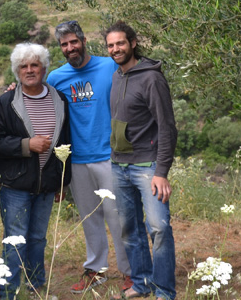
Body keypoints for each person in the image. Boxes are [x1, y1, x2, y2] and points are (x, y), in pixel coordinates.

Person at [46, 20, 132, 293]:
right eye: (64, 44)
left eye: (73, 41)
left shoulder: (110, 66)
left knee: (118, 217)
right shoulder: (56, 78)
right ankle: (96, 270)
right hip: (77, 159)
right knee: (89, 218)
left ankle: (131, 272)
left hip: (110, 156)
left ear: (83, 41)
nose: (70, 47)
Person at [0, 43, 72, 300]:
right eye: (24, 66)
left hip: (46, 186)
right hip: (16, 187)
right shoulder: (5, 102)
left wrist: (62, 183)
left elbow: (66, 141)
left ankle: (36, 290)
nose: (30, 70)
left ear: (44, 68)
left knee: (37, 240)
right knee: (14, 240)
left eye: (35, 65)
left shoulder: (60, 99)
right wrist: (26, 145)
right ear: (17, 71)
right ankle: (8, 294)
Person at [104, 22, 178, 300]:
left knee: (158, 228)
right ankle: (142, 283)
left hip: (147, 168)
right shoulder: (116, 77)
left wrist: (162, 171)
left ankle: (164, 291)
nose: (115, 49)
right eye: (111, 45)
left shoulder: (151, 79)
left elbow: (167, 127)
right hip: (118, 166)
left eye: (120, 43)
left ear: (133, 43)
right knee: (129, 230)